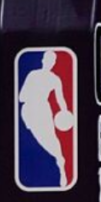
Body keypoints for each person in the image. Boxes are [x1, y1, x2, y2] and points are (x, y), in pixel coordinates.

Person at [18, 50, 72, 187]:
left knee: (51, 139)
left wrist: (64, 112)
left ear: (53, 63)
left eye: (51, 60)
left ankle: (61, 164)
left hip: (43, 110)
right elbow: (21, 96)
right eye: (47, 59)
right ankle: (58, 161)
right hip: (29, 111)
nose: (49, 62)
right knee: (35, 140)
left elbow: (61, 99)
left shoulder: (55, 79)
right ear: (43, 60)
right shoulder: (33, 75)